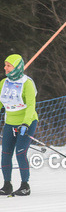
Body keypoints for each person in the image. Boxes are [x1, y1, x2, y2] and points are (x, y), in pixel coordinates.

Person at [0, 54, 38, 196]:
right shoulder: (3, 83)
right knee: (5, 154)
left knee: (20, 153)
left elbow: (31, 106)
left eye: (8, 65)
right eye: (5, 65)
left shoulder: (27, 83)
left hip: (26, 123)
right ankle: (7, 185)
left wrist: (26, 123)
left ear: (17, 67)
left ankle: (25, 185)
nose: (5, 68)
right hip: (10, 123)